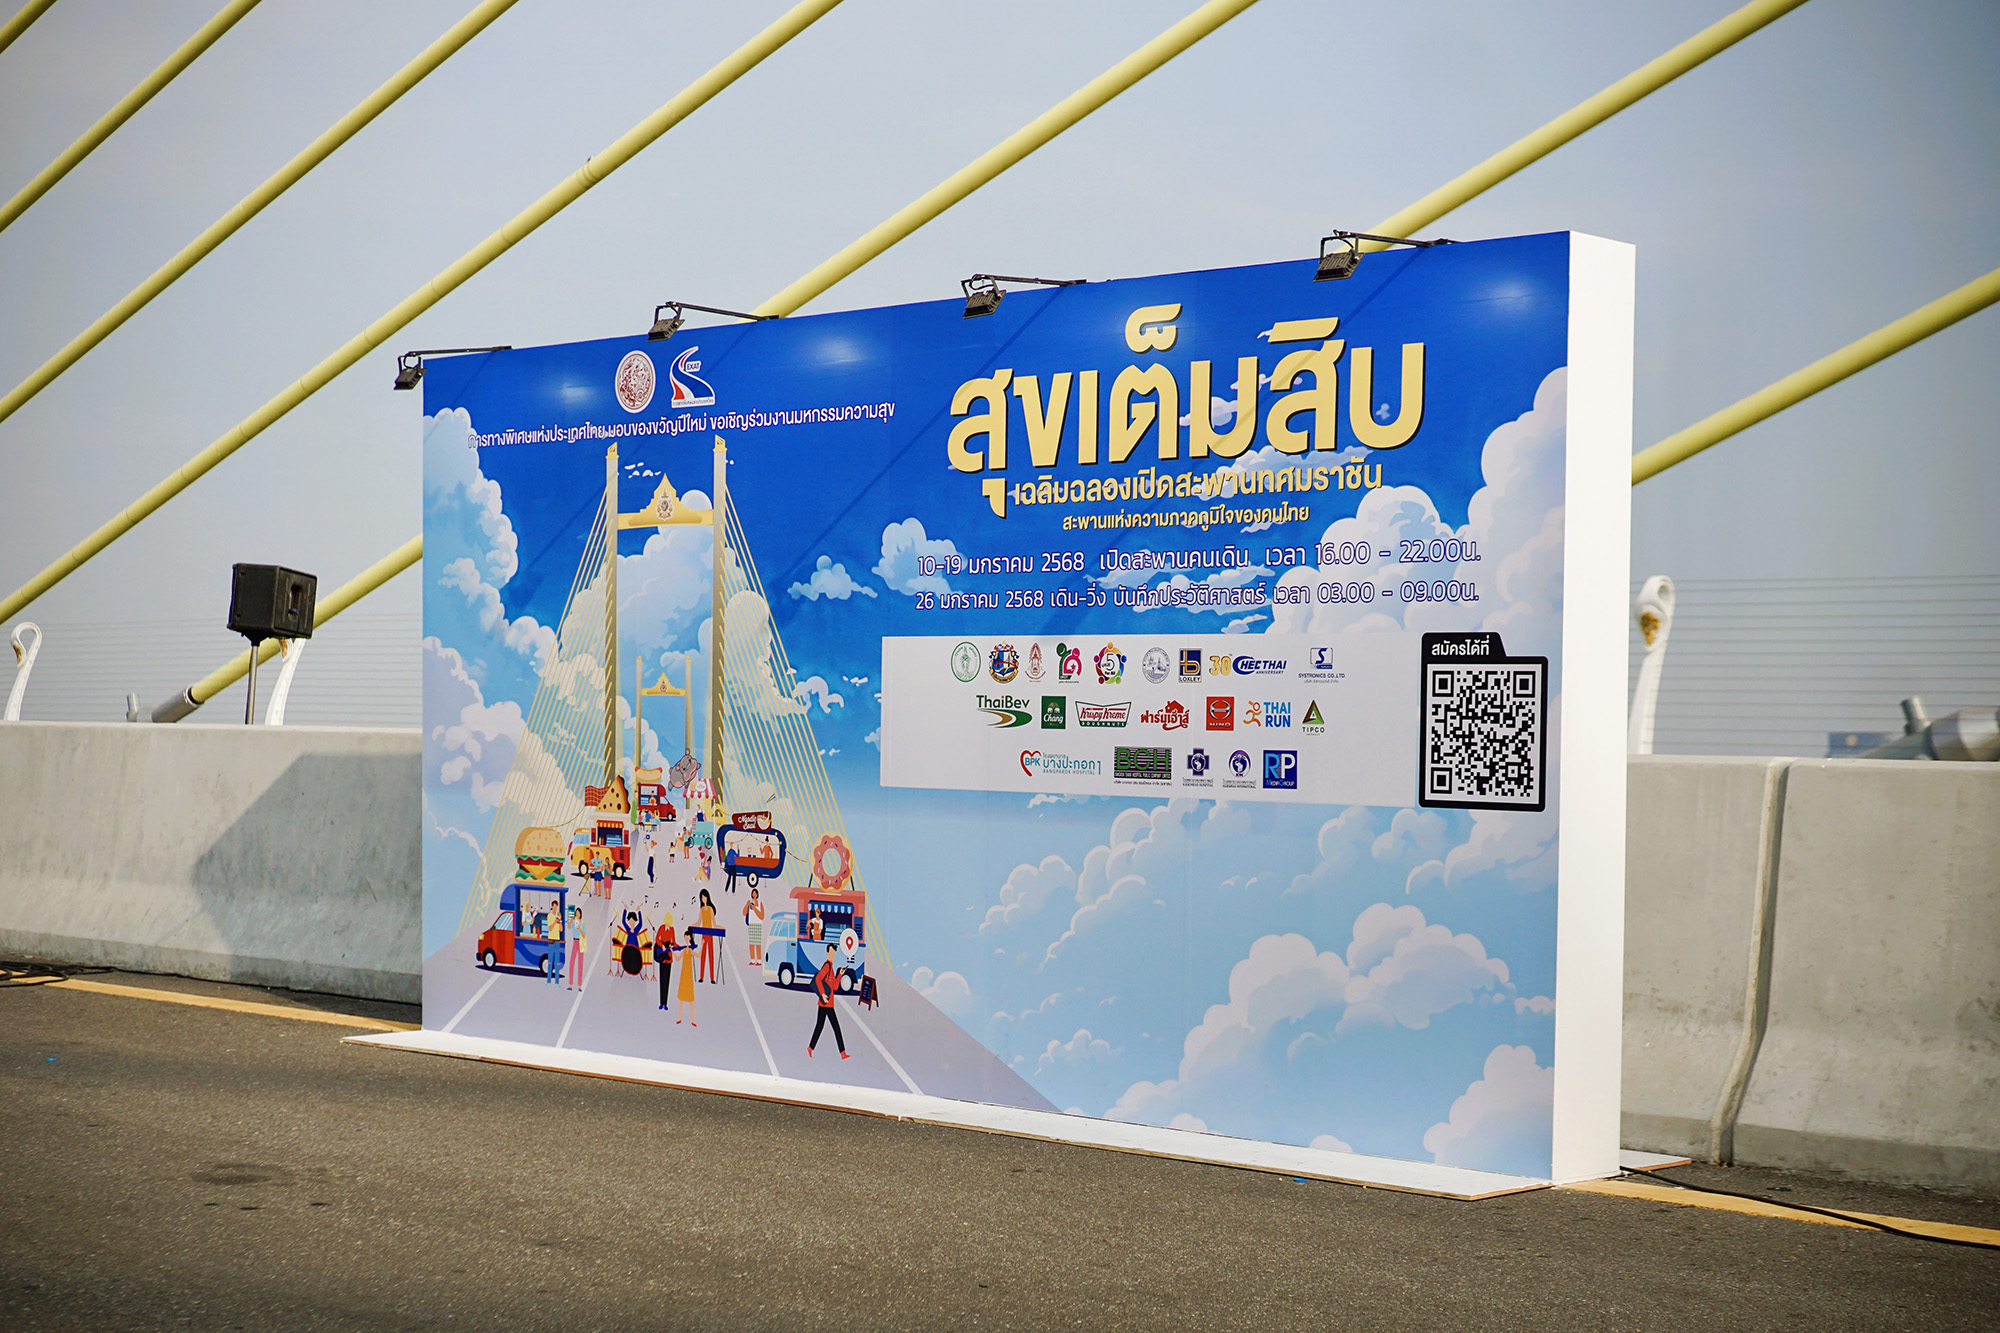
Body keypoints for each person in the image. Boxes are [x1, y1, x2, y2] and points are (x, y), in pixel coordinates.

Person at [808, 949, 846, 1059]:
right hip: (826, 1003)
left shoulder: (831, 968)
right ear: (827, 953)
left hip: (827, 1003)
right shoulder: (827, 966)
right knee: (834, 1027)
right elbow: (818, 979)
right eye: (831, 953)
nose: (833, 955)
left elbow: (835, 987)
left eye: (834, 953)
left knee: (820, 1026)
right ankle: (842, 1053)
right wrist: (823, 994)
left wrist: (840, 975)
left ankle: (810, 1048)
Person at [675, 924, 697, 1025]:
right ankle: (679, 1018)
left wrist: (702, 945)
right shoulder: (684, 950)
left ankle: (692, 1020)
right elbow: (678, 959)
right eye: (685, 936)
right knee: (681, 998)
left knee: (690, 998)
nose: (686, 938)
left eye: (687, 936)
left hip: (688, 974)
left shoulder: (690, 950)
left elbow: (698, 955)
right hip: (683, 973)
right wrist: (672, 952)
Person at [654, 912, 676, 1011]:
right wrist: (662, 945)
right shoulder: (661, 928)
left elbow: (673, 941)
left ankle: (665, 1003)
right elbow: (657, 939)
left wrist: (675, 946)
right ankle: (661, 1003)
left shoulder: (672, 929)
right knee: (662, 979)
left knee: (667, 980)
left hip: (669, 957)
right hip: (662, 956)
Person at [697, 889, 718, 983]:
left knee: (711, 955)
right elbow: (699, 922)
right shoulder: (701, 910)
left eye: (704, 897)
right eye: (702, 897)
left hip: (710, 935)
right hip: (703, 935)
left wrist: (721, 929)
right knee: (703, 955)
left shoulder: (710, 909)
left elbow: (714, 923)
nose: (703, 899)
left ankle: (712, 978)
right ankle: (701, 977)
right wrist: (691, 927)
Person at [743, 888, 765, 966]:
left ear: (757, 894)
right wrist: (747, 905)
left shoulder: (760, 903)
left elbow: (762, 916)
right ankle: (752, 959)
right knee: (751, 943)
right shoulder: (749, 902)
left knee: (758, 944)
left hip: (758, 925)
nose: (754, 895)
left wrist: (754, 908)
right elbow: (744, 913)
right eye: (753, 893)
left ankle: (759, 960)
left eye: (755, 893)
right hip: (751, 924)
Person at [567, 906, 586, 989]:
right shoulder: (574, 922)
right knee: (572, 962)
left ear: (580, 914)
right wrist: (571, 920)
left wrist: (580, 929)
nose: (577, 914)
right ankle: (570, 984)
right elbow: (568, 927)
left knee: (580, 963)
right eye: (576, 913)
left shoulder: (582, 923)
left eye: (578, 913)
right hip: (575, 941)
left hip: (581, 942)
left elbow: (584, 936)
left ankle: (579, 985)